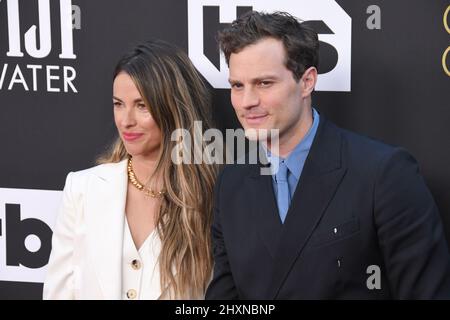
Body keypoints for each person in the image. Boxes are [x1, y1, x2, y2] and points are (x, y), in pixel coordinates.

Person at [205, 11, 450, 299]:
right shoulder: (231, 183)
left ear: (307, 82)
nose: (247, 102)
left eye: (264, 83)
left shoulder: (383, 173)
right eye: (237, 86)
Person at [43, 40, 217, 299]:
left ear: (175, 108)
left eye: (142, 105)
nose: (126, 121)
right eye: (118, 104)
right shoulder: (82, 189)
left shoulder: (213, 198)